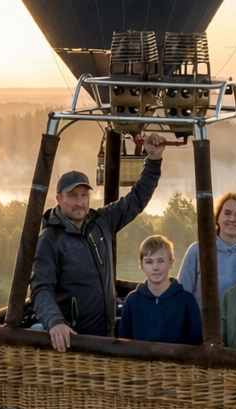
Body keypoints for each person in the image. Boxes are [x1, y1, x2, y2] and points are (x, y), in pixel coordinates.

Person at [31, 134, 166, 351]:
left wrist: (153, 159)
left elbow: (136, 198)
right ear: (59, 198)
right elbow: (41, 288)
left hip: (106, 336)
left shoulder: (101, 221)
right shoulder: (50, 239)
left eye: (84, 195)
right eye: (72, 195)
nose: (80, 202)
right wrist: (55, 322)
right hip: (76, 343)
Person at [119, 235, 202, 345]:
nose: (155, 267)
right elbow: (124, 343)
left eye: (161, 261)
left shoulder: (186, 301)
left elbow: (196, 344)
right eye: (149, 262)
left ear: (171, 263)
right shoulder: (132, 300)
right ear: (141, 265)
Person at [178, 191, 236, 305]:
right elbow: (182, 296)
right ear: (217, 217)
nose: (232, 219)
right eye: (227, 213)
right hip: (200, 317)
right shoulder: (197, 251)